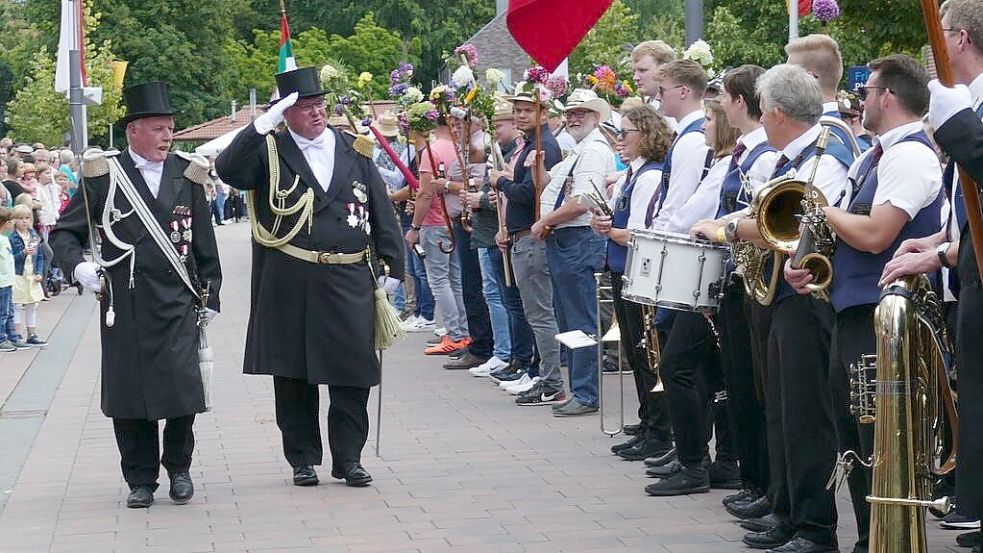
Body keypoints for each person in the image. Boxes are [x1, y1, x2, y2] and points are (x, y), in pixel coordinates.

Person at [215, 66, 403, 489]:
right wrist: (260, 124)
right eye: (304, 108)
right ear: (285, 114)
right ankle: (302, 458)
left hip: (349, 275)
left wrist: (393, 267)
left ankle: (349, 458)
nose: (316, 114)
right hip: (291, 278)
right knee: (294, 374)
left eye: (319, 105)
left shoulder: (355, 150)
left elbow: (379, 212)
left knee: (352, 372)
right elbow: (228, 169)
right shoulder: (270, 150)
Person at [50, 81, 223, 508]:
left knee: (184, 390)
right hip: (124, 303)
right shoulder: (102, 175)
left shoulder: (188, 174)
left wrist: (212, 293)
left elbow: (204, 243)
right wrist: (78, 267)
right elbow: (64, 234)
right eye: (159, 128)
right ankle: (140, 479)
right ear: (133, 131)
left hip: (179, 300)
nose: (168, 137)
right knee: (131, 393)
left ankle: (179, 469)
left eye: (170, 128)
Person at [733, 64, 852, 553]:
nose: (761, 122)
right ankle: (787, 510)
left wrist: (731, 229)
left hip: (810, 296)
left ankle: (814, 527)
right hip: (785, 293)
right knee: (782, 408)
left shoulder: (825, 155)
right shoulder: (795, 157)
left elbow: (803, 225)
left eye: (763, 113)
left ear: (778, 113)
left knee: (806, 414)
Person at [880, 0, 983, 547]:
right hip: (970, 277)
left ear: (961, 40)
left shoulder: (972, 108)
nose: (934, 44)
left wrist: (960, 125)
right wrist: (946, 244)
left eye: (939, 33)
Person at [689, 64, 778, 521]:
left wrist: (722, 226)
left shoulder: (762, 154)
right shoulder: (747, 151)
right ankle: (756, 481)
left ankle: (762, 481)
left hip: (755, 275)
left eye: (723, 97)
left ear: (741, 102)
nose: (719, 105)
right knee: (742, 382)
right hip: (739, 274)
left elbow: (755, 211)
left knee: (753, 386)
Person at [591, 105, 675, 458]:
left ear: (646, 135)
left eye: (626, 133)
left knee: (647, 354)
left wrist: (614, 230)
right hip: (622, 268)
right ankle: (647, 421)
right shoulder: (633, 174)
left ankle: (658, 429)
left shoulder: (650, 175)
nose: (619, 140)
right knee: (636, 349)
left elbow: (642, 232)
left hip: (637, 271)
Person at [528, 88, 614, 416]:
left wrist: (544, 221)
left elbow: (583, 200)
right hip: (567, 240)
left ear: (596, 117)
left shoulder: (592, 151)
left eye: (582, 112)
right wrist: (538, 167)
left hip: (576, 240)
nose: (574, 117)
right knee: (570, 318)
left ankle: (586, 391)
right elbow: (554, 185)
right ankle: (580, 388)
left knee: (580, 319)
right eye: (571, 112)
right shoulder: (580, 150)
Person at [490, 81, 566, 406]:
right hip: (522, 235)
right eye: (517, 110)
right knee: (537, 314)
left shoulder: (544, 145)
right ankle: (544, 376)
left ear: (543, 112)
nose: (520, 115)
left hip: (533, 239)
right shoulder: (531, 143)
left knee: (540, 315)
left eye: (526, 110)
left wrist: (502, 180)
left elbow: (531, 193)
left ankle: (551, 381)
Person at [9, 204, 46, 346]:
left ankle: (32, 334)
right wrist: (23, 253)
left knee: (32, 305)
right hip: (19, 274)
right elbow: (10, 259)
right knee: (17, 304)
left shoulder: (34, 235)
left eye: (27, 218)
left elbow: (40, 256)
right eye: (20, 218)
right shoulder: (12, 238)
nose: (24, 221)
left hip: (32, 275)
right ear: (14, 221)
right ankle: (16, 334)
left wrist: (39, 272)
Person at [0, 207, 28, 352]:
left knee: (9, 310)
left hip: (8, 281)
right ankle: (1, 338)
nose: (12, 224)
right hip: (2, 281)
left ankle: (12, 336)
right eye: (10, 221)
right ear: (4, 223)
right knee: (3, 311)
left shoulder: (5, 239)